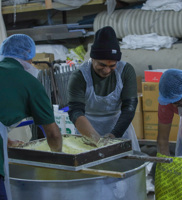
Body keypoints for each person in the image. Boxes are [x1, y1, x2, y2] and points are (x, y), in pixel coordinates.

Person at [0, 34, 62, 200]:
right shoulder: (30, 82)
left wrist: (8, 142)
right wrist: (59, 159)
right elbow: (53, 133)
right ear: (28, 57)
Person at [67, 26, 140, 150]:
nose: (106, 70)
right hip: (87, 128)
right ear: (93, 58)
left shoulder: (126, 71)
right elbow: (75, 112)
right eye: (102, 65)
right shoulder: (79, 76)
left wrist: (114, 135)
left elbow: (129, 107)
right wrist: (98, 141)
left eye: (112, 65)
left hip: (119, 127)